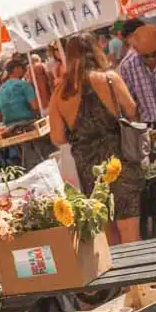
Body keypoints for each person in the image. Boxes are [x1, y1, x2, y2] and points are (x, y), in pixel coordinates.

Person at [49, 33, 144, 244]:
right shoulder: (109, 78)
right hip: (120, 160)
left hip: (88, 167)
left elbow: (57, 137)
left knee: (108, 232)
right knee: (130, 231)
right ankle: (142, 276)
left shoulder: (59, 93)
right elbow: (131, 110)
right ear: (95, 50)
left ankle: (121, 277)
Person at [0, 58, 39, 126]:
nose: (24, 71)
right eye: (22, 68)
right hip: (27, 123)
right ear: (16, 69)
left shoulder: (1, 89)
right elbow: (35, 106)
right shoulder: (24, 85)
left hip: (9, 127)